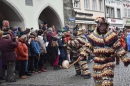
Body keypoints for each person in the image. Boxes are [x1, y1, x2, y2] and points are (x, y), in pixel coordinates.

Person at [78, 17, 130, 86]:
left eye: (104, 25)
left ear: (107, 26)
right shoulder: (93, 36)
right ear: (98, 26)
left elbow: (119, 48)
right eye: (101, 26)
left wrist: (125, 59)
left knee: (107, 82)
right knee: (98, 82)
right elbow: (87, 47)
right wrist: (82, 55)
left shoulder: (112, 35)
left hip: (109, 62)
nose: (103, 27)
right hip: (97, 63)